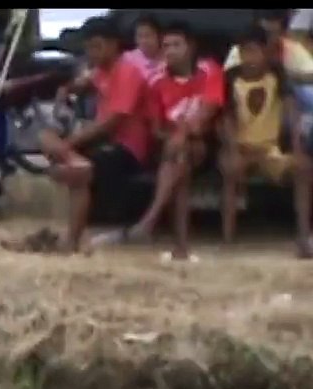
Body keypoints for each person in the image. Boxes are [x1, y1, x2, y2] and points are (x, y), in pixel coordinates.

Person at [97, 21, 224, 259]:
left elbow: (206, 113)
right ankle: (179, 246)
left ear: (191, 47)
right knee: (180, 164)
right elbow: (156, 129)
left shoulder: (209, 70)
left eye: (177, 45)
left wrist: (182, 134)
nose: (171, 51)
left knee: (182, 151)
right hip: (171, 149)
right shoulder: (156, 81)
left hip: (205, 143)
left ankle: (148, 223)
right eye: (166, 46)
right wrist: (175, 138)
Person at [39, 16, 152, 254]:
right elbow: (79, 85)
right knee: (46, 136)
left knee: (78, 170)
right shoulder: (101, 70)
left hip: (127, 148)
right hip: (103, 142)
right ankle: (69, 161)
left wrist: (68, 143)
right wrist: (66, 92)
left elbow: (110, 124)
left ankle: (72, 240)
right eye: (88, 47)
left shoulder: (128, 71)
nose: (91, 52)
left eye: (97, 46)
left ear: (114, 45)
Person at [219, 24, 313, 257]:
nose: (248, 57)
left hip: (270, 149)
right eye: (244, 52)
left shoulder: (278, 75)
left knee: (304, 169)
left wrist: (298, 148)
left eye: (253, 51)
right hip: (240, 148)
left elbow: (292, 112)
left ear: (265, 51)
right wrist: (231, 150)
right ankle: (228, 239)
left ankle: (303, 237)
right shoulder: (231, 78)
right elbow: (226, 120)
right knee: (230, 170)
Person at [123, 13, 166, 83]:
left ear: (159, 36)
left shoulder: (169, 57)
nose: (144, 41)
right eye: (140, 36)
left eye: (148, 35)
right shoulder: (128, 59)